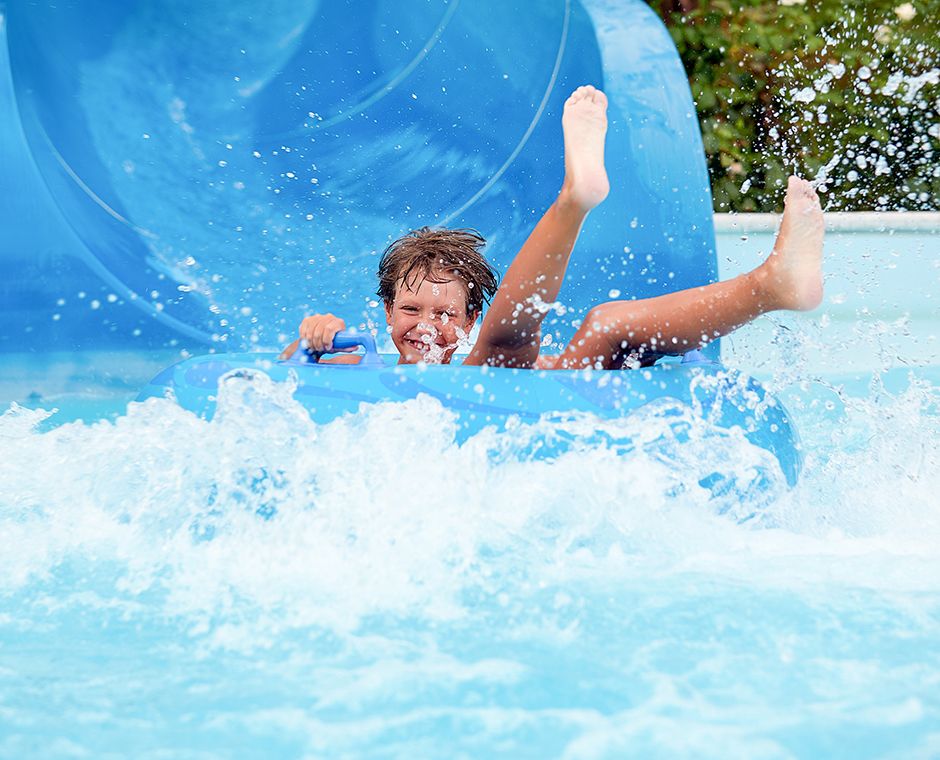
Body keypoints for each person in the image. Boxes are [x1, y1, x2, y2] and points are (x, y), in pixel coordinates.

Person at [280, 85, 824, 370]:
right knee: (538, 337)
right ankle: (770, 284)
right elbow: (286, 375)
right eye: (411, 309)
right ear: (386, 312)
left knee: (595, 327)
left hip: (504, 382)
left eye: (446, 313)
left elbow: (519, 356)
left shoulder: (481, 354)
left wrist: (549, 368)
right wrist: (313, 336)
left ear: (471, 318)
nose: (425, 325)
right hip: (496, 372)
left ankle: (770, 284)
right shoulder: (362, 360)